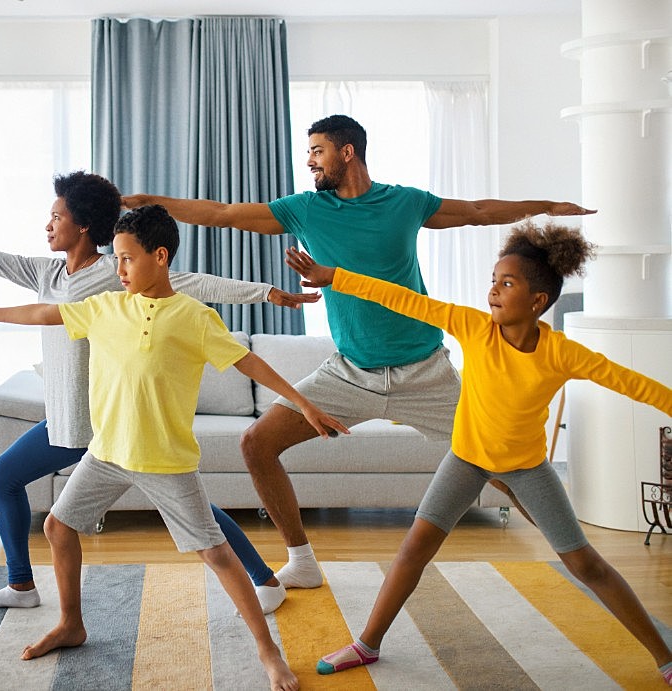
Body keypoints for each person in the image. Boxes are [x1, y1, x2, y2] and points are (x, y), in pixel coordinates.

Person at [122, 113, 597, 591]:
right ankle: (301, 560)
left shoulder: (404, 203)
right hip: (349, 373)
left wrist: (548, 206)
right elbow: (223, 214)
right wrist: (151, 202)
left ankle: (581, 562)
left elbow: (476, 209)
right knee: (256, 443)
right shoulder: (304, 209)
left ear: (346, 152)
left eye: (316, 150)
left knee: (506, 468)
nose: (309, 160)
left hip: (426, 374)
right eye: (308, 151)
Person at [0, 171, 319, 615]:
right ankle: (260, 577)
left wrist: (265, 293)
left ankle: (24, 583)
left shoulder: (115, 272)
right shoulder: (45, 273)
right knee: (179, 503)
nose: (47, 224)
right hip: (64, 417)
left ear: (82, 225)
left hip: (97, 421)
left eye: (56, 216)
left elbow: (191, 282)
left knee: (10, 478)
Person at [0, 205, 351, 690]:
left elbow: (249, 365)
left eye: (128, 259)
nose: (119, 270)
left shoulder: (194, 317)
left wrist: (303, 404)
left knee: (217, 555)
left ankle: (268, 651)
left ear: (160, 256)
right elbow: (42, 311)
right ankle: (72, 623)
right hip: (107, 452)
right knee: (57, 526)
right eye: (116, 259)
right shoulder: (107, 307)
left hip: (164, 462)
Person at [285, 222, 672, 685]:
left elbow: (629, 381)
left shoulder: (562, 353)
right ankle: (366, 644)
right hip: (466, 459)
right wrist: (338, 277)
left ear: (537, 302)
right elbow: (407, 300)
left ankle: (665, 659)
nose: (492, 291)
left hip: (526, 470)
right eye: (493, 280)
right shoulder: (474, 328)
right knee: (414, 549)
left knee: (585, 563)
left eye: (506, 283)